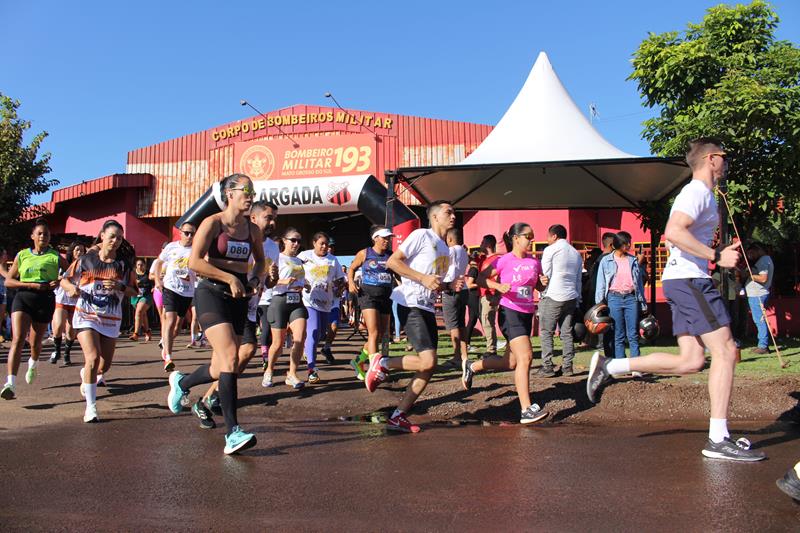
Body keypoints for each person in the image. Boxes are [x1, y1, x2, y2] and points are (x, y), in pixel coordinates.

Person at [587, 137, 766, 461]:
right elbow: (674, 230)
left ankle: (612, 365)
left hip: (681, 280)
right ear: (711, 159)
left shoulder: (705, 195)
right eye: (724, 156)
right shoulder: (696, 191)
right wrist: (715, 255)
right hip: (690, 281)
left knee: (691, 361)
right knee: (726, 350)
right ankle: (718, 438)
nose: (726, 162)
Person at [166, 173, 265, 455]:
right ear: (229, 193)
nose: (250, 195)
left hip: (237, 298)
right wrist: (229, 277)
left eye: (252, 190)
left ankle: (182, 382)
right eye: (245, 189)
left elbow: (259, 263)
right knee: (231, 357)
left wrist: (255, 281)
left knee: (217, 367)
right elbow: (195, 261)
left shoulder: (253, 230)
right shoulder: (212, 223)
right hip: (210, 293)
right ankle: (233, 432)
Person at [364, 200, 455, 433]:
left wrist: (447, 285)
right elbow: (393, 262)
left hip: (426, 307)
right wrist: (422, 278)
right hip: (410, 303)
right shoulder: (421, 235)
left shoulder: (445, 248)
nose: (453, 216)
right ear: (435, 217)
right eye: (448, 212)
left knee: (428, 368)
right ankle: (381, 362)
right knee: (428, 361)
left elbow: (433, 281)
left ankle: (398, 415)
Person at [193, 199, 279, 430]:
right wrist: (232, 279)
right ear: (254, 217)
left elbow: (266, 281)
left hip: (250, 304)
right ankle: (224, 419)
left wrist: (270, 278)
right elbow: (200, 261)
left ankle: (204, 395)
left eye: (274, 219)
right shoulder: (230, 233)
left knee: (227, 361)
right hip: (222, 299)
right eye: (268, 217)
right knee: (234, 356)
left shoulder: (272, 246)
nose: (272, 222)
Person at [463, 223, 549, 424]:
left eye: (533, 235)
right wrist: (498, 286)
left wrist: (542, 284)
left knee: (509, 363)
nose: (532, 239)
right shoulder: (503, 260)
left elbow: (536, 285)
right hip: (509, 311)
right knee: (526, 358)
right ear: (516, 238)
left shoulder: (535, 262)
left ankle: (472, 366)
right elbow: (481, 279)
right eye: (528, 235)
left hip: (527, 312)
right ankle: (526, 410)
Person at [62, 220, 137, 422]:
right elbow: (65, 278)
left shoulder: (123, 265)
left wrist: (119, 287)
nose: (115, 241)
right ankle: (91, 408)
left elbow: (134, 291)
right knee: (93, 358)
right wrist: (71, 289)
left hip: (110, 319)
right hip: (86, 315)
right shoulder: (86, 260)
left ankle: (88, 374)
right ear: (102, 235)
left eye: (119, 238)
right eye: (112, 236)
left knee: (103, 366)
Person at [1, 219, 69, 400]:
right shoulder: (22, 255)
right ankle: (11, 383)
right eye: (39, 233)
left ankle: (33, 362)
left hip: (45, 300)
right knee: (17, 339)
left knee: (35, 343)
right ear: (32, 236)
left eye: (46, 234)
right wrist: (30, 284)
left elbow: (71, 273)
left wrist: (60, 280)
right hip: (23, 298)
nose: (43, 237)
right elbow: (8, 280)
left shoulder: (55, 256)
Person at [262, 227, 308, 390]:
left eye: (299, 241)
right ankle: (269, 370)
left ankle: (292, 374)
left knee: (300, 337)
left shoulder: (299, 261)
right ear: (284, 241)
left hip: (297, 302)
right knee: (278, 343)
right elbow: (267, 282)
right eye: (293, 240)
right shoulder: (277, 258)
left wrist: (304, 285)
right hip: (279, 300)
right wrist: (283, 281)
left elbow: (300, 280)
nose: (296, 244)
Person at [347, 226, 395, 380]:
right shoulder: (365, 253)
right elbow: (352, 268)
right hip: (368, 296)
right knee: (373, 333)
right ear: (375, 238)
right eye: (384, 238)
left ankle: (359, 361)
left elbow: (398, 272)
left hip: (386, 296)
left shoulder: (391, 255)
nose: (387, 241)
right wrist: (350, 282)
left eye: (389, 238)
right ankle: (374, 370)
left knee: (383, 335)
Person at [594, 231, 646, 368]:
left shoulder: (633, 260)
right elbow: (601, 284)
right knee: (618, 334)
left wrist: (643, 302)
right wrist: (599, 304)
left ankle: (636, 366)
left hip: (631, 298)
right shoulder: (606, 261)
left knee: (633, 334)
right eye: (626, 243)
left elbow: (639, 283)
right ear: (618, 244)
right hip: (614, 298)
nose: (629, 245)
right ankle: (621, 366)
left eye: (629, 242)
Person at [298, 231, 344, 384]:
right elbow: (293, 267)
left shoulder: (333, 260)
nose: (324, 247)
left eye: (326, 244)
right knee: (313, 331)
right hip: (309, 300)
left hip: (326, 303)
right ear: (314, 243)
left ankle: (308, 350)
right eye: (321, 244)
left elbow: (339, 280)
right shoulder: (305, 256)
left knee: (320, 335)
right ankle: (312, 370)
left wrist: (338, 288)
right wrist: (300, 281)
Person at [538, 224, 583, 377]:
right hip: (571, 295)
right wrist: (578, 298)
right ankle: (568, 366)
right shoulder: (575, 253)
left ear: (554, 236)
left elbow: (545, 274)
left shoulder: (550, 249)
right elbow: (578, 279)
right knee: (567, 333)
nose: (547, 239)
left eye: (548, 236)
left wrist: (541, 293)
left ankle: (547, 366)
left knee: (546, 332)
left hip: (553, 294)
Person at [153, 223, 197, 371]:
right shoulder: (171, 247)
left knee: (177, 327)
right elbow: (159, 262)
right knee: (170, 320)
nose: (189, 236)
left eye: (192, 234)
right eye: (187, 233)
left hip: (187, 291)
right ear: (180, 232)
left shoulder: (196, 250)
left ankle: (165, 346)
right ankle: (168, 357)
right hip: (170, 288)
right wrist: (158, 280)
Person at [50, 242, 87, 365]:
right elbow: (55, 278)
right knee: (58, 326)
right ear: (71, 252)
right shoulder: (64, 265)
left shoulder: (87, 266)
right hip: (62, 298)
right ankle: (56, 351)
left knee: (71, 331)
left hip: (76, 300)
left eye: (82, 250)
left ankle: (66, 353)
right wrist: (59, 279)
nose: (79, 252)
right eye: (77, 250)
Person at [441, 228, 469, 368]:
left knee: (453, 325)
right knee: (461, 323)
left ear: (450, 239)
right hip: (463, 289)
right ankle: (464, 355)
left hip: (451, 289)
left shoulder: (450, 251)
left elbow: (442, 268)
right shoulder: (464, 251)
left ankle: (457, 355)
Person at [588, 232, 617, 357]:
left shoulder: (599, 260)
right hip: (603, 298)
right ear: (612, 244)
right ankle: (607, 351)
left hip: (597, 296)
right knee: (606, 326)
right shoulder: (605, 260)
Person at [744, 242, 774, 354]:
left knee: (759, 320)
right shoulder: (763, 260)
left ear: (758, 250)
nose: (750, 256)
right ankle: (762, 344)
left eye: (752, 253)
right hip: (756, 294)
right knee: (759, 319)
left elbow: (763, 278)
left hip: (758, 294)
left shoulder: (764, 260)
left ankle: (763, 346)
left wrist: (749, 275)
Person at [478, 235, 503, 355]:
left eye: (482, 242)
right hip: (483, 295)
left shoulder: (496, 260)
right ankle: (491, 348)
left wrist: (497, 295)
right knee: (487, 322)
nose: (480, 244)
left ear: (488, 244)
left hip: (491, 295)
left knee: (488, 322)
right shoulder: (483, 259)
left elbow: (498, 278)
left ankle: (491, 350)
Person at [129, 257, 154, 342]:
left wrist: (154, 288)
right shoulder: (133, 274)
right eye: (138, 265)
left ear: (145, 265)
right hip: (135, 296)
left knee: (139, 311)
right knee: (142, 315)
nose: (140, 267)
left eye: (141, 265)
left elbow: (154, 282)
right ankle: (147, 331)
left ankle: (136, 334)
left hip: (146, 296)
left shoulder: (148, 274)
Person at [464, 250, 481, 353]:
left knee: (473, 320)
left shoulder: (473, 269)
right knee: (479, 317)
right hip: (473, 297)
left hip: (473, 296)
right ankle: (491, 340)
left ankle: (466, 343)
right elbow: (469, 284)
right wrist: (481, 283)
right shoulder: (474, 270)